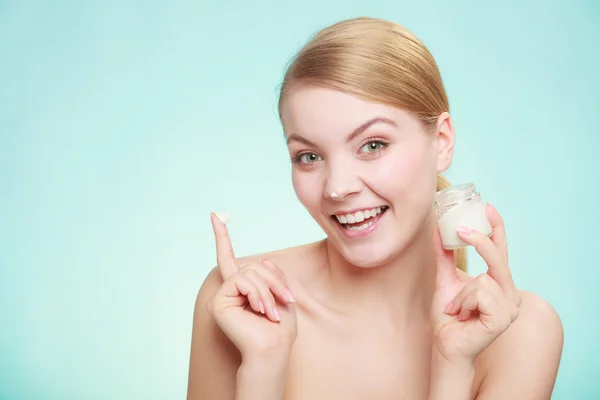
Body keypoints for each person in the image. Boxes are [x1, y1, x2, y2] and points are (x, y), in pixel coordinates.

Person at [187, 16, 563, 399]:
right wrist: (262, 370)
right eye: (309, 155)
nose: (337, 188)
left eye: (373, 145)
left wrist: (452, 367)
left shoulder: (520, 331)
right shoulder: (238, 302)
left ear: (443, 141)